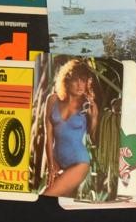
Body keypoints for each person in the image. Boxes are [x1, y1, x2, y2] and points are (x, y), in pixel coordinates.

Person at [43, 58, 99, 198]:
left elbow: (93, 137)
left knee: (47, 194)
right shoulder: (52, 100)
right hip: (57, 161)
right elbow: (48, 136)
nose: (80, 85)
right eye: (76, 80)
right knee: (61, 201)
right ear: (67, 81)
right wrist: (51, 164)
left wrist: (94, 118)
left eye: (83, 80)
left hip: (79, 163)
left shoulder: (88, 106)